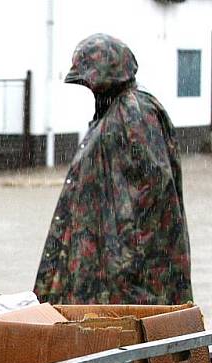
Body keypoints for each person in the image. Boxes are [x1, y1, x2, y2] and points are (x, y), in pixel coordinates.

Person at [34, 33, 192, 305]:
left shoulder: (135, 113)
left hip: (126, 280)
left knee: (125, 340)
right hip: (102, 268)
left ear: (105, 78)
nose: (88, 89)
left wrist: (124, 265)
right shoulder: (111, 113)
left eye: (89, 81)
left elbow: (153, 194)